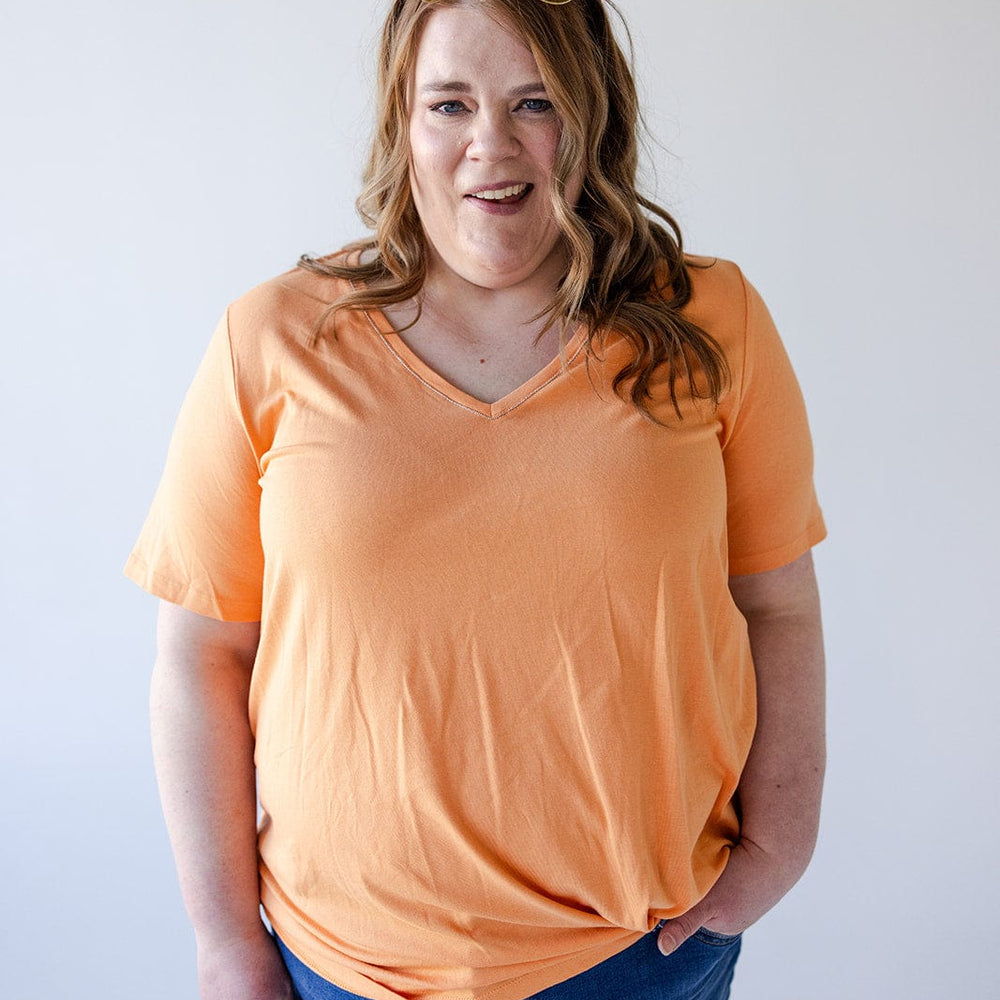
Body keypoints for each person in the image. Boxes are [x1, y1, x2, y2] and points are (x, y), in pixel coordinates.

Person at [126, 1, 827, 998]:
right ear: (401, 124)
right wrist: (224, 941)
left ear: (592, 118)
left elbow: (779, 604)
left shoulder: (710, 322)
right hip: (337, 967)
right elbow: (200, 651)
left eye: (533, 101)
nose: (488, 146)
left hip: (635, 958)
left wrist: (780, 850)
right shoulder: (272, 341)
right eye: (449, 104)